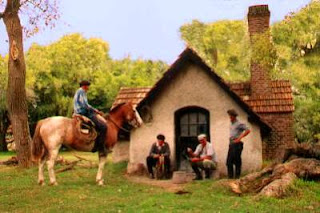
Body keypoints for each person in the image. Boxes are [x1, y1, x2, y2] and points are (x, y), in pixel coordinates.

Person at [73, 80, 107, 154]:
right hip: (83, 111)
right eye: (88, 86)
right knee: (103, 127)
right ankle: (100, 147)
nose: (88, 88)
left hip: (80, 111)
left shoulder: (79, 91)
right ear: (84, 86)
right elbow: (84, 105)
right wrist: (95, 110)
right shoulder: (82, 91)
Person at [226, 109, 250, 179]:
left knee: (237, 160)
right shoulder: (231, 124)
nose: (230, 117)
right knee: (229, 162)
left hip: (237, 144)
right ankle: (230, 178)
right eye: (229, 116)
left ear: (234, 116)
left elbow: (248, 130)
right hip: (231, 143)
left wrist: (239, 138)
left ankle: (237, 178)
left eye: (230, 116)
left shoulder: (239, 124)